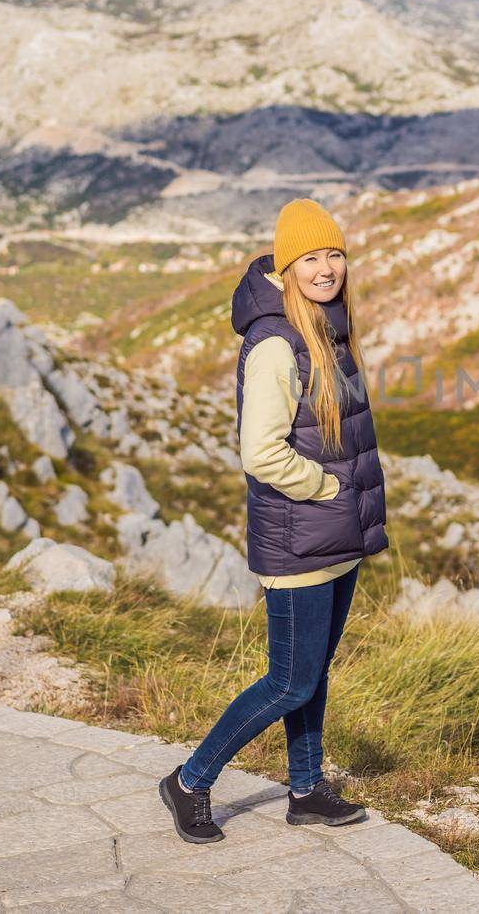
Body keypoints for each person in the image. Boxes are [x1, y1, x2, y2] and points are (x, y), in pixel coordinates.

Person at [158, 197, 389, 843]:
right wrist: (322, 487)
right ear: (287, 266)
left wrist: (340, 501)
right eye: (311, 257)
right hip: (300, 538)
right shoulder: (274, 342)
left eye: (334, 254)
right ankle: (190, 779)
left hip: (332, 537)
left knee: (310, 673)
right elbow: (259, 449)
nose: (325, 268)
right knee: (288, 679)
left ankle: (306, 788)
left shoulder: (328, 328)